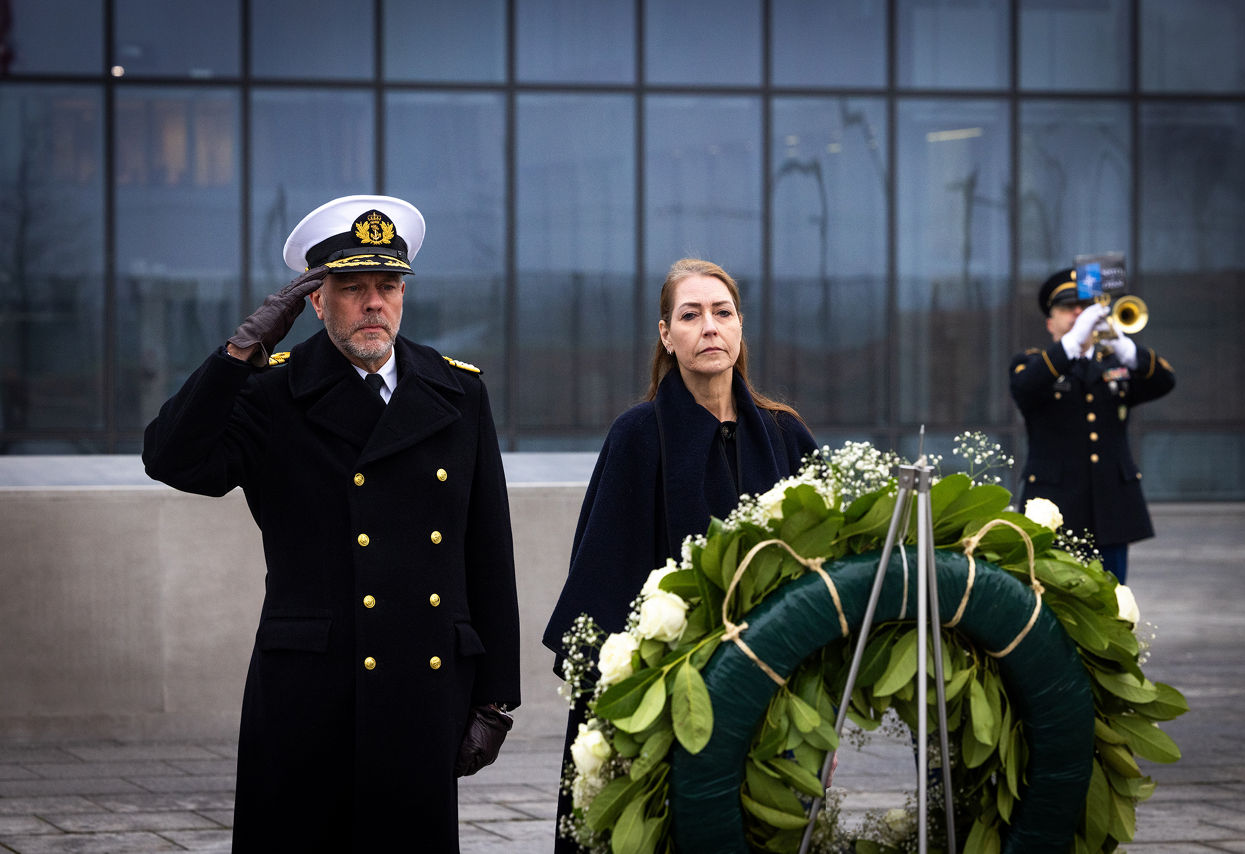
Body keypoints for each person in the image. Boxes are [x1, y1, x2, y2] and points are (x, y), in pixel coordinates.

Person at [142, 195, 520, 853]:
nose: (375, 303)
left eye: (388, 285)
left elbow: (488, 547)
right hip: (309, 690)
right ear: (314, 302)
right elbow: (173, 459)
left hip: (422, 688)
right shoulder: (269, 391)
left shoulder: (459, 391)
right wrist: (239, 353)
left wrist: (496, 698)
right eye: (352, 288)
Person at [542, 258, 818, 851]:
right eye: (690, 315)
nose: (709, 327)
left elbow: (822, 578)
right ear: (667, 335)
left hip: (766, 696)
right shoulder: (636, 436)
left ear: (741, 327)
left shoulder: (786, 433)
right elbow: (601, 579)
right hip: (662, 701)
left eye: (722, 312)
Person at [1010, 267, 1176, 584]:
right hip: (1055, 512)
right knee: (1055, 607)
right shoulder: (1031, 363)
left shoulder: (1114, 366)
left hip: (1111, 511)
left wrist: (1127, 349)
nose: (1076, 312)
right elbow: (1025, 388)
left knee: (1113, 605)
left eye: (1084, 307)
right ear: (1050, 322)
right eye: (1066, 308)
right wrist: (1073, 343)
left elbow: (1164, 382)